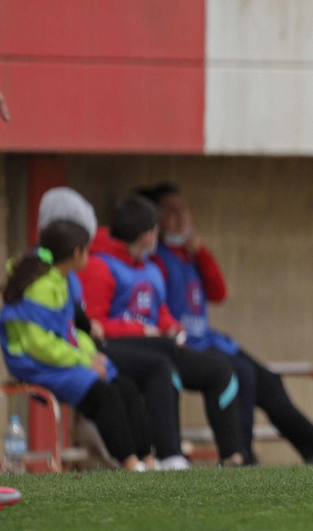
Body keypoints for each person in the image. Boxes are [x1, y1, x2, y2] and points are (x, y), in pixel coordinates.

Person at [138, 183, 313, 464]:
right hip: (184, 345)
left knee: (269, 380)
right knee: (241, 373)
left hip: (209, 340)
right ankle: (241, 456)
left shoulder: (190, 254)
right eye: (171, 211)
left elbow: (218, 292)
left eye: (184, 209)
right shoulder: (155, 261)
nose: (181, 217)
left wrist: (201, 251)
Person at [81, 195, 245, 465]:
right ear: (147, 234)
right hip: (116, 349)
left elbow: (161, 312)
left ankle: (233, 457)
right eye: (155, 229)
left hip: (159, 344)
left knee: (219, 368)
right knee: (163, 363)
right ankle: (171, 456)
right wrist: (141, 331)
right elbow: (93, 324)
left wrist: (172, 327)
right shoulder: (100, 266)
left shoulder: (151, 268)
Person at [0, 221, 154, 471]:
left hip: (57, 357)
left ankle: (148, 459)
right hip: (33, 363)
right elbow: (39, 345)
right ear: (76, 253)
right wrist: (84, 361)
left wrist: (92, 355)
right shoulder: (41, 286)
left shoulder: (61, 279)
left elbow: (68, 332)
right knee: (104, 395)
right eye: (88, 251)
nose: (90, 257)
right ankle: (129, 463)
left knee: (124, 386)